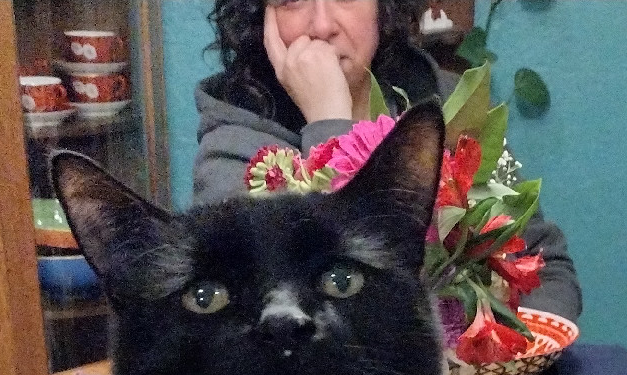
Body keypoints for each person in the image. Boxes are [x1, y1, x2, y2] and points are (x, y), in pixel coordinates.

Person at [193, 0, 581, 321]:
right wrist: (329, 121)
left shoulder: (444, 104)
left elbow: (545, 268)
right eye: (292, 1)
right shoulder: (234, 144)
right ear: (260, 16)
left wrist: (509, 353)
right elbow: (313, 320)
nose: (322, 24)